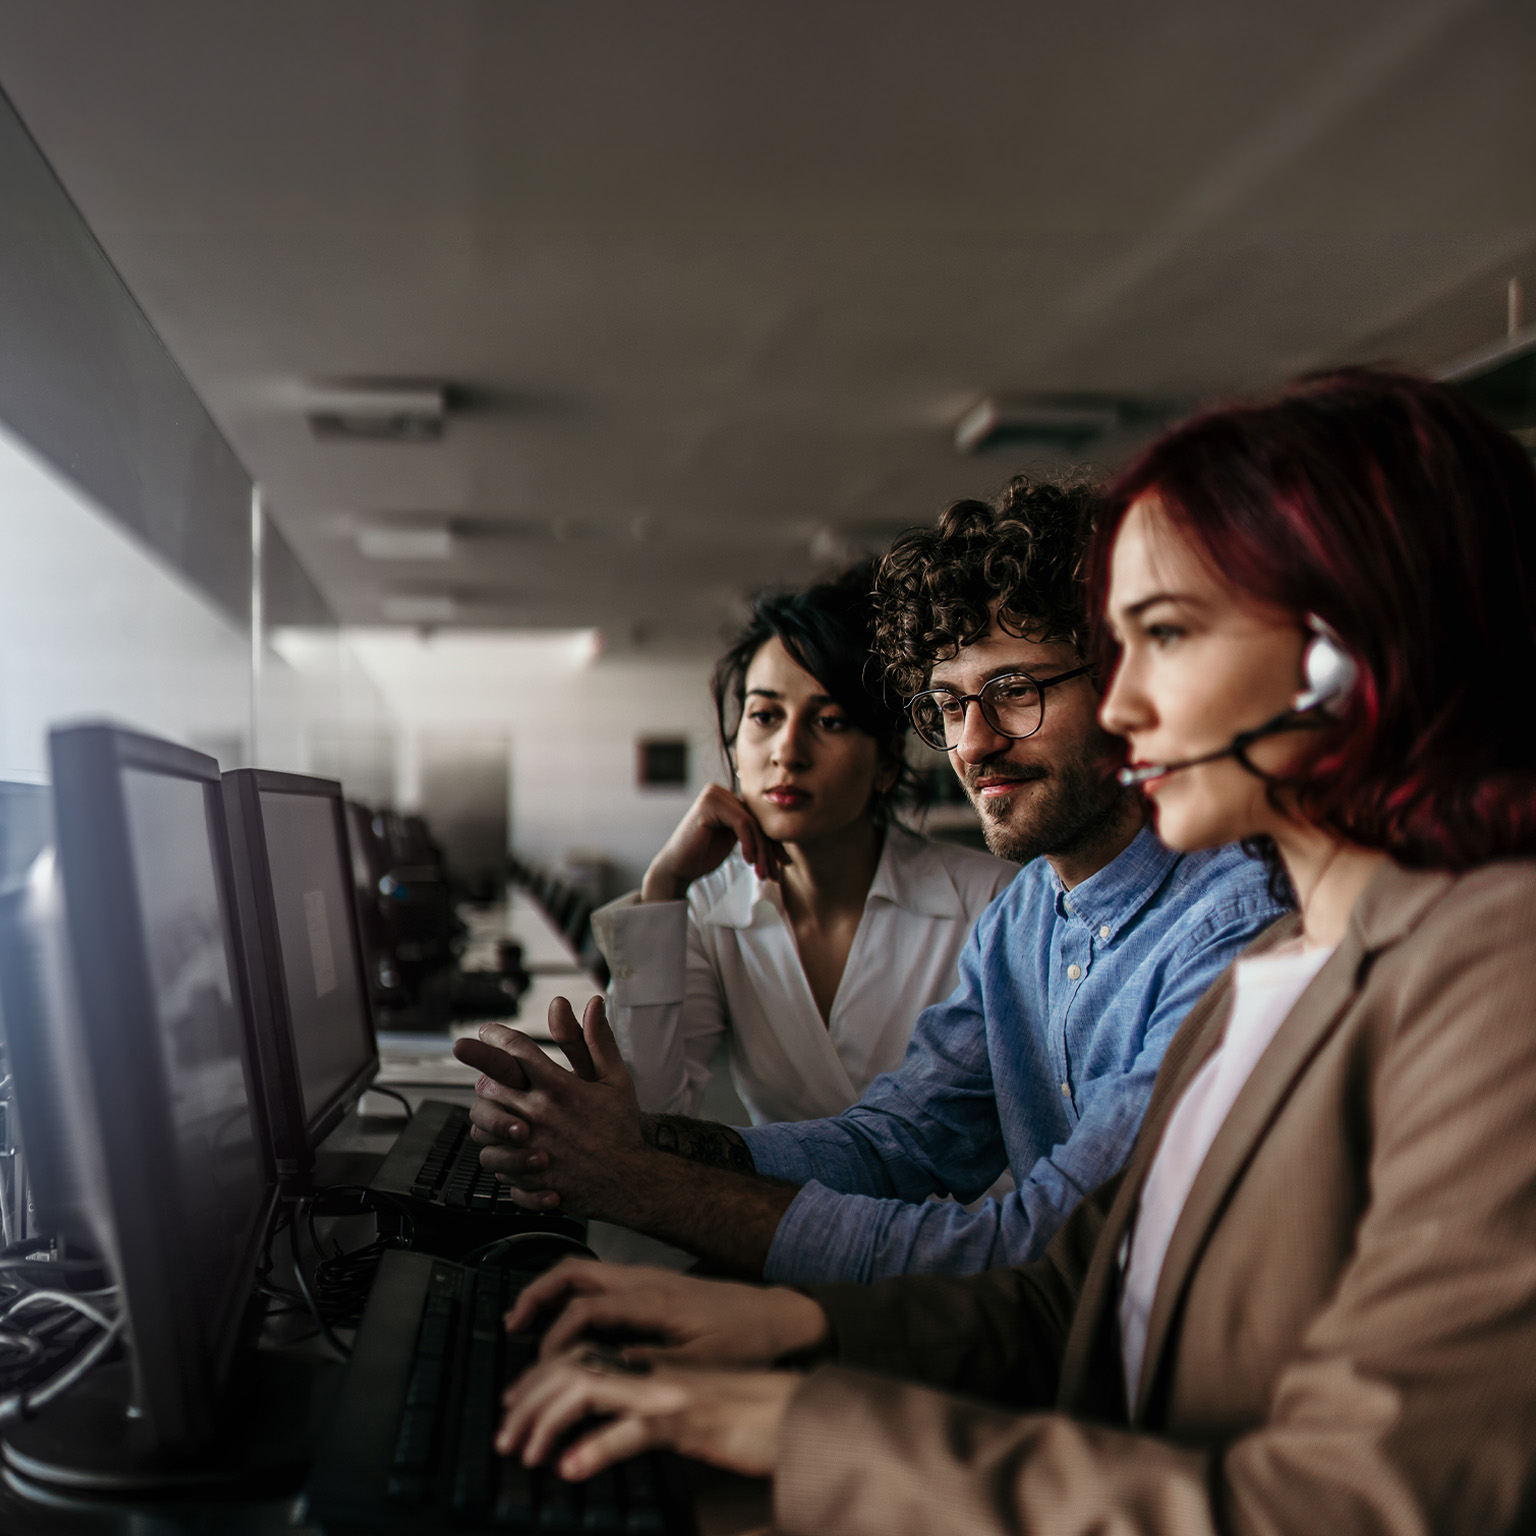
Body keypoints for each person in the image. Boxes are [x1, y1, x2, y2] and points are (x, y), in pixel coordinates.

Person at [492, 369, 1536, 1536]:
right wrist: (801, 1328)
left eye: (1167, 636)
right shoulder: (1279, 962)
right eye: (1116, 649)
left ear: (1348, 658)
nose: (1130, 707)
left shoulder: (1484, 975)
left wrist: (807, 1423)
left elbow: (1353, 1506)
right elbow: (1074, 1293)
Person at [455, 477, 1285, 1282]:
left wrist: (638, 1180)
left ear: (1129, 688)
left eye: (1014, 690)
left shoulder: (1233, 931)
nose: (973, 744)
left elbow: (1046, 1251)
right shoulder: (1026, 917)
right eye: (948, 706)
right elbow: (897, 1144)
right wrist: (628, 1141)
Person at [590, 564, 1015, 1127]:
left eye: (831, 722)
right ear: (734, 744)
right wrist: (664, 886)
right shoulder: (705, 913)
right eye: (764, 716)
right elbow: (650, 1114)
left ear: (887, 761)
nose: (787, 752)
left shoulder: (990, 902)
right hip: (776, 1215)